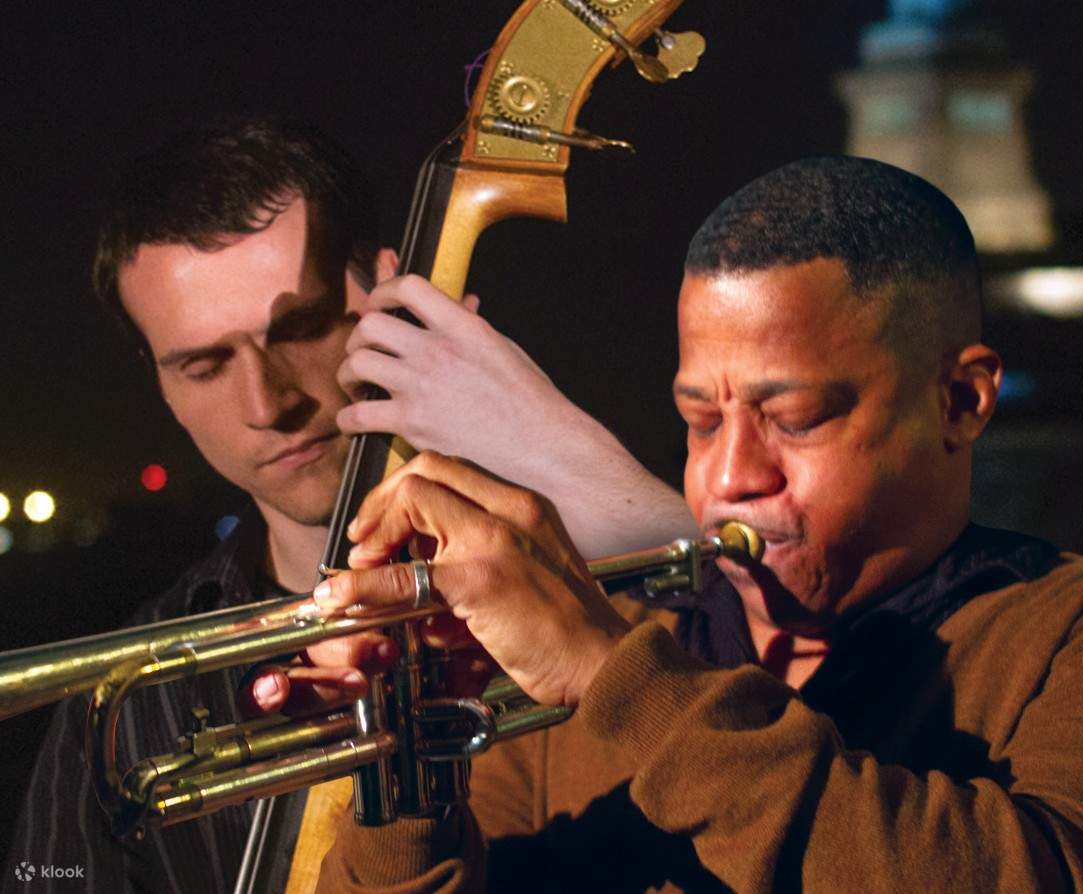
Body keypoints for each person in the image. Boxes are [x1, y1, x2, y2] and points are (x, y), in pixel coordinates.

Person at [284, 157, 1083, 892]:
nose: (727, 479)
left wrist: (614, 674)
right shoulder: (563, 689)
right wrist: (408, 775)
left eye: (795, 420)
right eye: (701, 421)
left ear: (959, 401)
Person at [2, 118, 696, 893]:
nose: (267, 404)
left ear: (389, 293)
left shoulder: (590, 585)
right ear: (158, 380)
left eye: (298, 329)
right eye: (203, 365)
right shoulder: (128, 703)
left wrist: (560, 449)